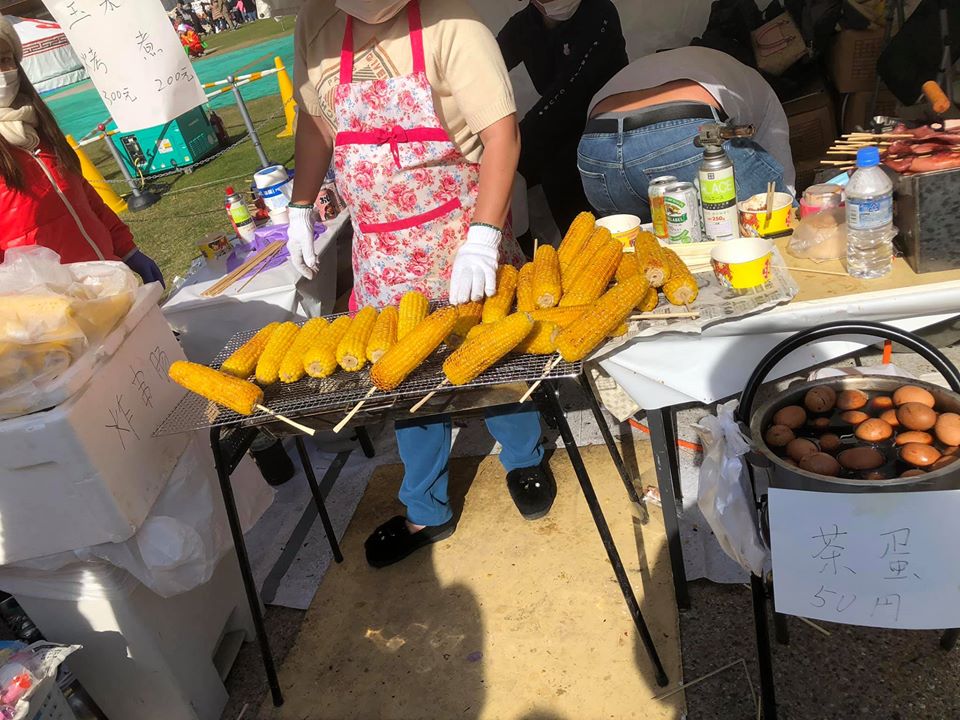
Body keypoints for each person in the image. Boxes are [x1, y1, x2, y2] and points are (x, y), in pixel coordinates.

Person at [290, 0, 554, 568]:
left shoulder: (454, 23)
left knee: (494, 356)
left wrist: (483, 236)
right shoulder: (315, 24)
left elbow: (502, 136)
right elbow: (314, 126)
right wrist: (299, 205)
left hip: (459, 232)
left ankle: (525, 457)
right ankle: (426, 506)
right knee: (408, 380)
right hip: (384, 252)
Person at [0, 18, 162, 285]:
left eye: (6, 59)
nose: (3, 70)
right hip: (53, 308)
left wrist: (127, 250)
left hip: (110, 281)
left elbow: (85, 198)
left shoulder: (41, 129)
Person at [578, 46, 796, 222]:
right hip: (679, 134)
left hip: (596, 149)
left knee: (645, 258)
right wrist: (791, 205)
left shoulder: (678, 62)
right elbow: (779, 177)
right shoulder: (760, 88)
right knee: (775, 225)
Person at [497, 0, 626, 244]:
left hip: (605, 127)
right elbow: (486, 68)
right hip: (557, 127)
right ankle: (524, 256)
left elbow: (572, 88)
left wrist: (514, 140)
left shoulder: (599, 12)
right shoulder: (524, 25)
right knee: (502, 168)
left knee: (552, 162)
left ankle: (586, 248)